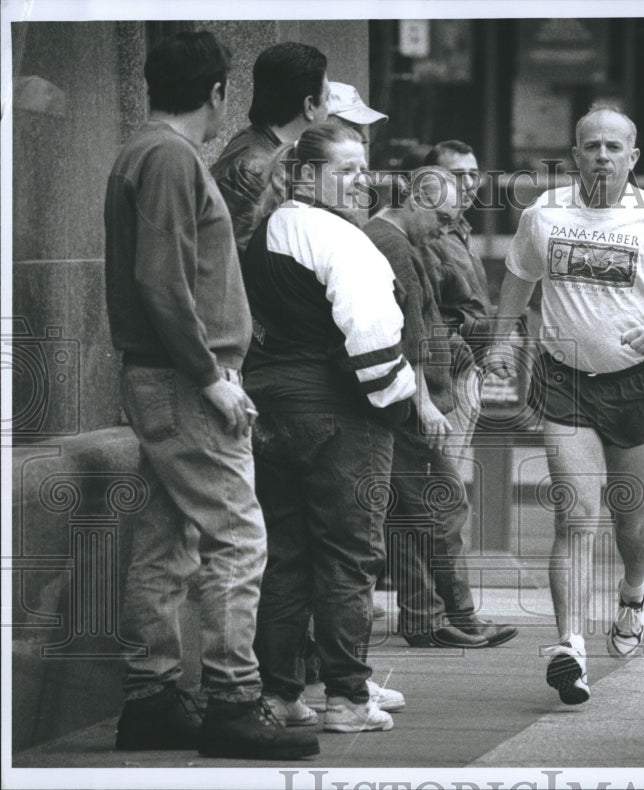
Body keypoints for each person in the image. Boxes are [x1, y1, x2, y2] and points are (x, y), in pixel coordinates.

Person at [104, 31, 318, 759]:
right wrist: (212, 378)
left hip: (167, 375)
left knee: (168, 542)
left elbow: (161, 279)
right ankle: (232, 701)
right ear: (218, 94)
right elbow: (162, 281)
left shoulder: (147, 152)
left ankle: (153, 698)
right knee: (238, 535)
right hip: (186, 379)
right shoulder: (167, 156)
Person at [485, 105, 644, 703]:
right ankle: (571, 649)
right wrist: (500, 340)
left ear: (634, 157)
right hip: (565, 381)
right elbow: (518, 277)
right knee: (576, 514)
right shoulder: (546, 213)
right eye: (592, 146)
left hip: (636, 382)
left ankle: (634, 590)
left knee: (629, 517)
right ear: (576, 152)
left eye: (615, 146)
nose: (603, 156)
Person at [243, 119, 414, 734]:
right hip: (341, 416)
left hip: (271, 412)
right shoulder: (342, 240)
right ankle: (345, 698)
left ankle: (280, 694)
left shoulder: (267, 231)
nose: (360, 179)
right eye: (345, 168)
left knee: (284, 556)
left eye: (363, 168)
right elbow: (370, 336)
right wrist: (398, 400)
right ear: (307, 175)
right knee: (348, 560)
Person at [365, 167, 519, 649]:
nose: (446, 228)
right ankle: (459, 617)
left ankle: (426, 618)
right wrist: (425, 402)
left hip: (409, 395)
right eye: (443, 217)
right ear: (414, 199)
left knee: (412, 513)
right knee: (444, 502)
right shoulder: (391, 245)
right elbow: (403, 333)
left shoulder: (394, 240)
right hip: (413, 400)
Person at [211, 42, 387, 260]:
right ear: (310, 105)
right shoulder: (257, 168)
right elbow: (246, 265)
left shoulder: (258, 144)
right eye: (328, 97)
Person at [421, 140, 494, 448]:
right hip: (442, 379)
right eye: (456, 174)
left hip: (465, 373)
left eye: (472, 175)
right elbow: (421, 309)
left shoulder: (460, 227)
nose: (466, 184)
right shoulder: (429, 233)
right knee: (440, 482)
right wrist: (460, 345)